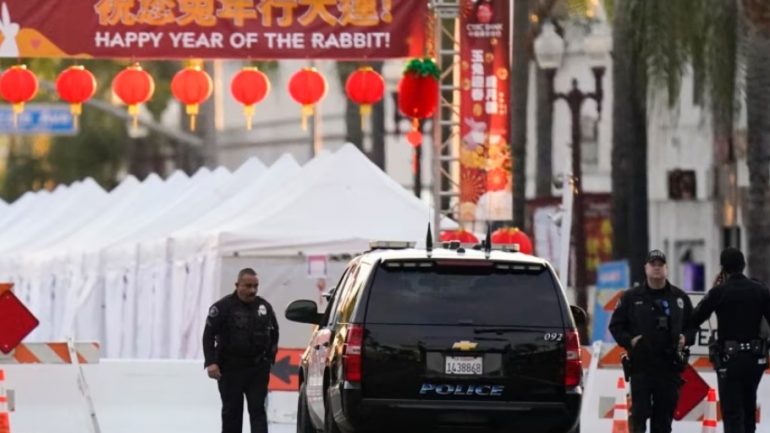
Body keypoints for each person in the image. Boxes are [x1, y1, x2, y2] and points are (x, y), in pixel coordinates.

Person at [609, 249, 694, 433]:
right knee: (640, 416)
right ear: (645, 268)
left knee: (663, 421)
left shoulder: (679, 298)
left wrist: (685, 338)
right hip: (642, 366)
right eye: (653, 264)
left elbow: (693, 326)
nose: (657, 268)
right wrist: (630, 341)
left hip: (669, 367)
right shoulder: (632, 297)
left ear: (666, 268)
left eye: (660, 264)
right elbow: (616, 326)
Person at [689, 247, 770, 433]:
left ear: (723, 268)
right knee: (749, 407)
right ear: (744, 265)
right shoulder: (760, 290)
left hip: (729, 360)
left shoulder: (719, 292)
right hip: (754, 359)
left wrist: (714, 288)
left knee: (732, 412)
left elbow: (695, 318)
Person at [203, 268, 279, 433]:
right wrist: (211, 362)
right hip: (230, 369)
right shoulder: (222, 307)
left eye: (255, 286)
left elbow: (274, 333)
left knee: (258, 411)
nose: (252, 290)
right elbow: (208, 336)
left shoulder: (264, 307)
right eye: (248, 286)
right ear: (237, 285)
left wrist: (269, 359)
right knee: (232, 413)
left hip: (257, 369)